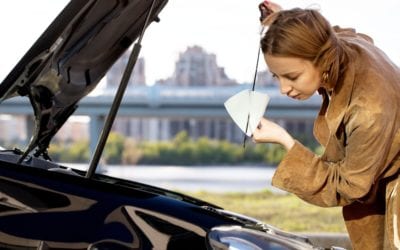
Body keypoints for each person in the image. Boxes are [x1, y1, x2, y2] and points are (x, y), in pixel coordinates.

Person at [253, 1, 400, 249]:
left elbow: (346, 186)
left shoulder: (369, 110)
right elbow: (320, 34)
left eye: (292, 76)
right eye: (276, 76)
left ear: (322, 60)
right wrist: (283, 21)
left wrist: (285, 142)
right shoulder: (339, 48)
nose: (283, 89)